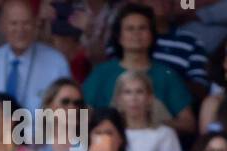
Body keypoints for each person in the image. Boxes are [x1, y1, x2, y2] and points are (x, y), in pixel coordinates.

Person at [83, 3, 194, 137]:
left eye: (142, 28)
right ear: (119, 37)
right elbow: (83, 114)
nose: (136, 33)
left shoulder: (167, 75)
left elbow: (189, 123)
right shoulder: (101, 73)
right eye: (130, 29)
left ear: (152, 35)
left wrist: (153, 124)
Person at [0, 0, 71, 117]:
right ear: (2, 26)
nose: (20, 30)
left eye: (26, 23)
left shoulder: (57, 63)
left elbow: (66, 113)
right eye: (14, 23)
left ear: (36, 24)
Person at [36, 76, 90, 151]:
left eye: (77, 103)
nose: (72, 108)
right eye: (65, 102)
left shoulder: (90, 147)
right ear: (49, 106)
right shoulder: (34, 148)